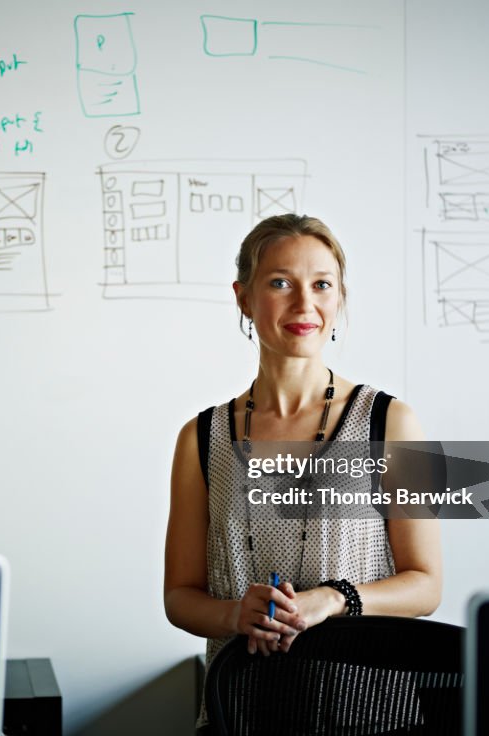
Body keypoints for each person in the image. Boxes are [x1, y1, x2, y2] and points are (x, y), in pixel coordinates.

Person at [163, 213, 442, 732]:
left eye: (321, 284)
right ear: (243, 297)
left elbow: (425, 586)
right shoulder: (201, 438)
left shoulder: (389, 422)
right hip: (241, 714)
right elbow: (180, 597)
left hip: (371, 716)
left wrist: (334, 599)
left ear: (339, 298)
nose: (304, 304)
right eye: (279, 283)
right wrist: (234, 616)